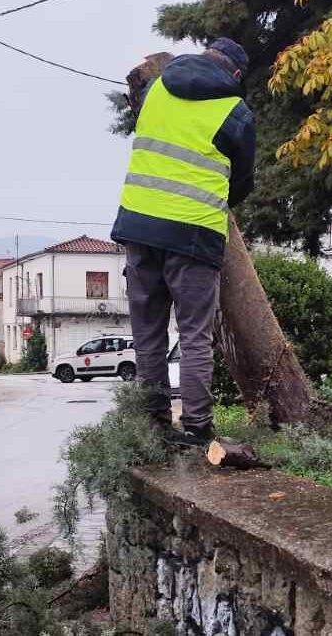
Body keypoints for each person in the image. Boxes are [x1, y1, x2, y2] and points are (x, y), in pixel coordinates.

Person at [111, 38, 256, 445]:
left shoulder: (157, 88)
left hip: (138, 226)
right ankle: (196, 427)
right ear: (237, 74)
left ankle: (154, 424)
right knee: (194, 334)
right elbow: (242, 180)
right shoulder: (235, 111)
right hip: (193, 233)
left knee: (148, 334)